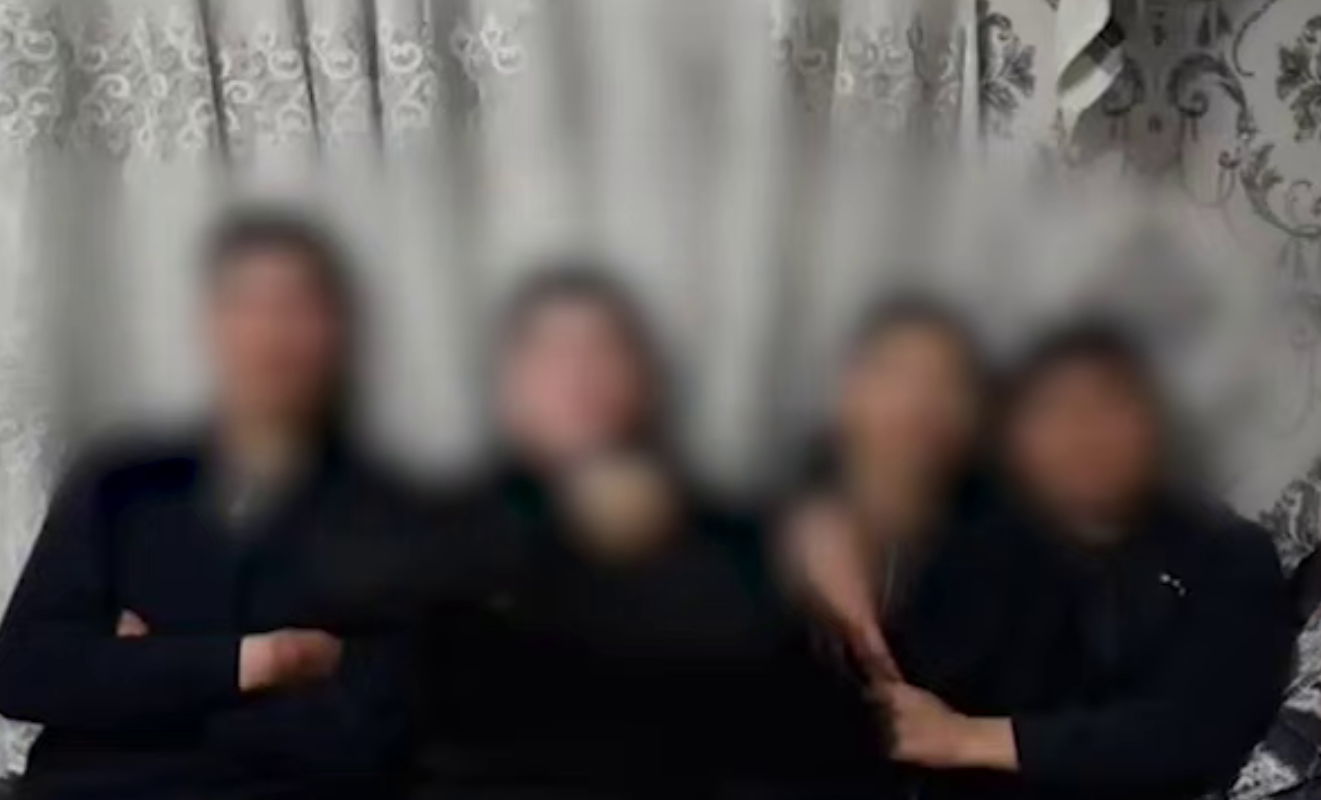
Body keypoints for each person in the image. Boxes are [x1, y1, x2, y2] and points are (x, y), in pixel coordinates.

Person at [0, 210, 417, 800]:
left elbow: (368, 737)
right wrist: (267, 661)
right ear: (209, 327)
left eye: (295, 307)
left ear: (337, 332)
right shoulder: (123, 476)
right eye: (246, 306)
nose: (269, 335)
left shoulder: (391, 507)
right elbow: (25, 674)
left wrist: (145, 672)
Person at [880, 321, 1295, 800]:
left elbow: (1193, 727)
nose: (1081, 432)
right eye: (1050, 410)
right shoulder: (982, 521)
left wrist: (964, 739)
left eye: (1107, 403)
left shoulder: (1229, 556)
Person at [406, 266, 777, 800]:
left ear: (647, 379)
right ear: (508, 391)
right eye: (549, 355)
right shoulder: (440, 540)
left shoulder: (738, 543)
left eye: (602, 350)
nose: (577, 376)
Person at [768, 294, 991, 798]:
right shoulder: (762, 540)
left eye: (947, 382)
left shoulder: (1005, 559)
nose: (921, 403)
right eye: (898, 375)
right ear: (847, 392)